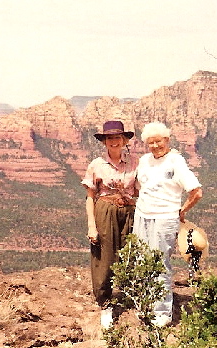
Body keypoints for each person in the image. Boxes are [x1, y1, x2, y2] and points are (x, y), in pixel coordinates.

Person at [134, 121, 203, 327]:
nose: (155, 146)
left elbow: (196, 192)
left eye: (159, 141)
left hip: (165, 218)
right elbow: (139, 186)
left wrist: (182, 210)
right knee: (141, 260)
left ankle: (162, 313)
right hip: (142, 216)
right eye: (150, 142)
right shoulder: (144, 161)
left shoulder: (176, 161)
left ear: (167, 140)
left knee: (159, 263)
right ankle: (145, 305)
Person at [82, 120, 138, 329]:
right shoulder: (96, 165)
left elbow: (141, 190)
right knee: (104, 256)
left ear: (124, 140)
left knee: (130, 253)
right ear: (104, 141)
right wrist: (91, 226)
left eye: (118, 137)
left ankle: (130, 298)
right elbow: (90, 197)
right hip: (105, 210)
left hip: (129, 211)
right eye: (110, 138)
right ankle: (105, 304)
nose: (114, 141)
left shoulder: (135, 163)